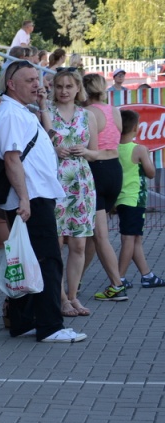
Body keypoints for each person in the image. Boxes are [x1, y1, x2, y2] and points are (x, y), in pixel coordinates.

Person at [0, 60, 86, 343]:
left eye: (39, 79)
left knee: (28, 260)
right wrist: (24, 197)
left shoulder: (18, 110)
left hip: (33, 196)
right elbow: (11, 158)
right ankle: (50, 326)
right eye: (30, 80)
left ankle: (23, 322)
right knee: (47, 261)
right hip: (31, 197)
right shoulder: (10, 113)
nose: (38, 84)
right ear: (12, 84)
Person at [48, 69, 98, 317]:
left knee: (79, 244)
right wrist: (54, 150)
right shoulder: (45, 113)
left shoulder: (87, 115)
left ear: (78, 88)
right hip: (55, 184)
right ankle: (61, 299)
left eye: (69, 86)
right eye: (59, 86)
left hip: (81, 183)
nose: (64, 91)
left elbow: (97, 152)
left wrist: (85, 152)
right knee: (55, 245)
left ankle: (74, 295)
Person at [81, 73, 129, 302]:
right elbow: (117, 143)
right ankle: (76, 280)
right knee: (92, 235)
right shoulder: (114, 111)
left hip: (97, 171)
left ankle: (117, 285)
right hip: (114, 171)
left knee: (100, 236)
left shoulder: (88, 113)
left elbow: (90, 149)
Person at [116, 110, 164, 289]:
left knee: (136, 238)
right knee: (129, 239)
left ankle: (147, 275)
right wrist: (147, 159)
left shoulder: (114, 147)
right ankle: (118, 278)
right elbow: (151, 173)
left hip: (120, 198)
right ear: (136, 128)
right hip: (135, 198)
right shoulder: (139, 149)